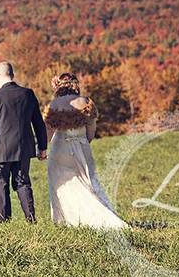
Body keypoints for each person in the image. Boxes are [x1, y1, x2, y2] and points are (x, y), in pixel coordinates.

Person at [45, 72, 128, 229]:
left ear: (58, 87)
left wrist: (43, 148)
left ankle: (67, 220)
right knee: (87, 183)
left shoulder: (54, 105)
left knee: (61, 184)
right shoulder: (86, 102)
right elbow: (91, 131)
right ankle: (99, 217)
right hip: (82, 147)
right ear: (76, 85)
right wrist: (82, 141)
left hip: (60, 148)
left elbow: (48, 132)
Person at [0, 61, 48, 223]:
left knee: (1, 187)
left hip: (0, 151)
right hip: (23, 149)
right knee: (23, 183)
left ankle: (3, 223)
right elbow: (38, 123)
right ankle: (31, 219)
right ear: (12, 75)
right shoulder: (28, 94)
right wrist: (43, 147)